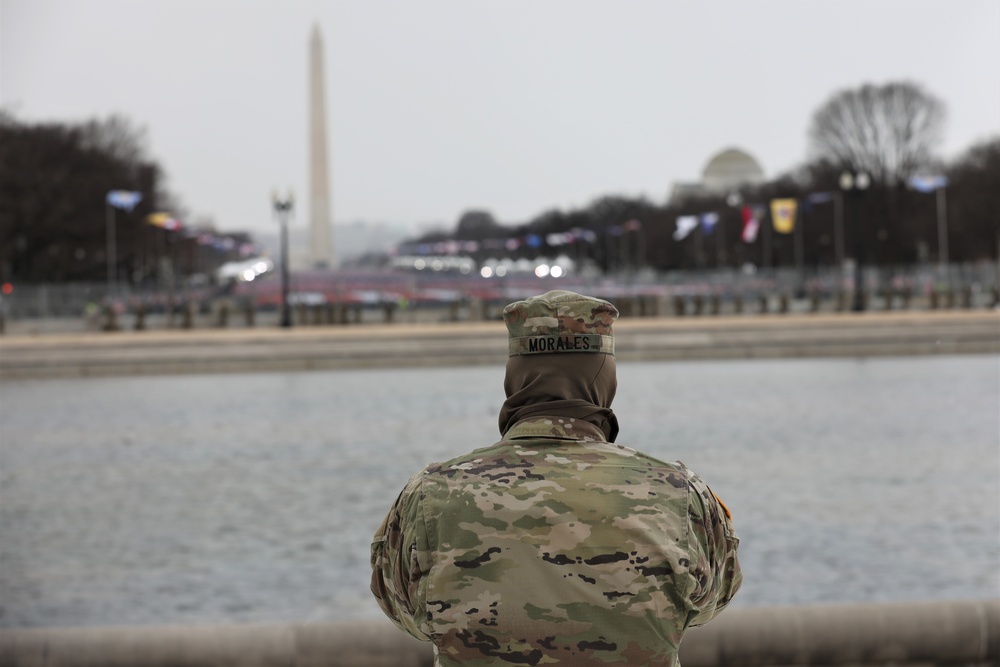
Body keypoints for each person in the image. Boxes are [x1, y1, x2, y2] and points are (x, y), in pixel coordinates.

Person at [371, 290, 742, 666]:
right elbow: (711, 602)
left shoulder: (431, 494)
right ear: (605, 378)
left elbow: (401, 608)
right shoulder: (678, 492)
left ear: (514, 376)